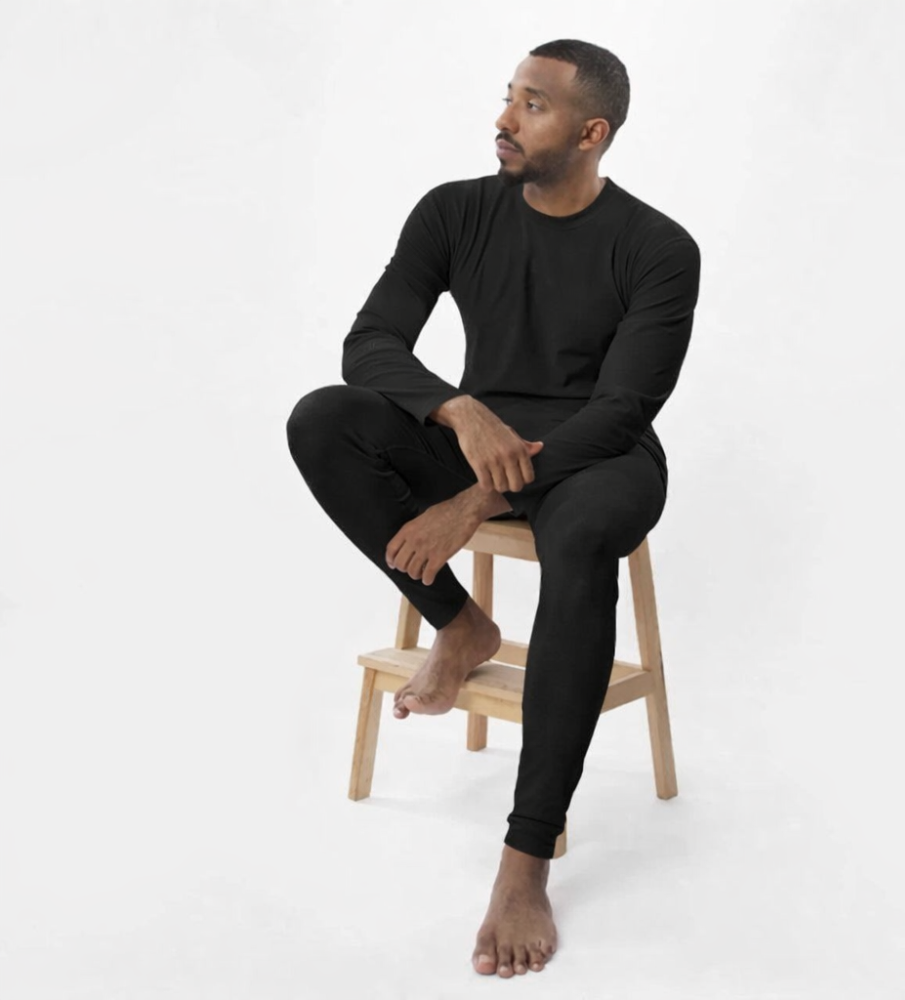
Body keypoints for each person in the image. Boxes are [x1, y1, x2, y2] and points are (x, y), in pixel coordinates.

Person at [286, 38, 701, 978]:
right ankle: (461, 625)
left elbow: (621, 411)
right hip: (482, 436)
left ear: (591, 134)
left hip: (599, 458)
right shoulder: (455, 210)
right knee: (324, 419)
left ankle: (526, 857)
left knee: (583, 532)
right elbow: (371, 343)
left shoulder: (658, 248)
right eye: (509, 96)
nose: (504, 120)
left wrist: (476, 501)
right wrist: (459, 410)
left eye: (534, 106)